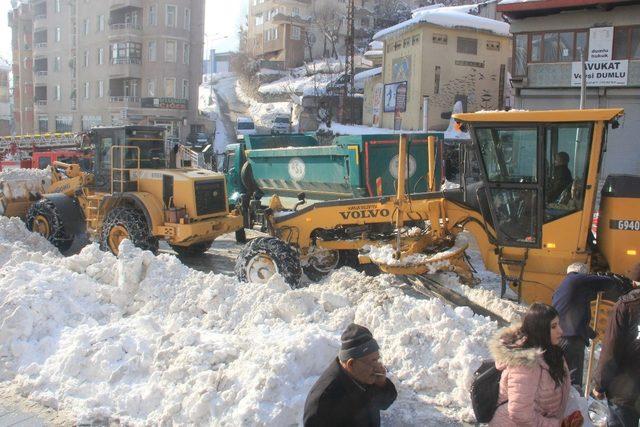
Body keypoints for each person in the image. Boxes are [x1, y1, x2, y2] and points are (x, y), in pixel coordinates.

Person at [488, 303, 577, 426]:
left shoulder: (552, 353)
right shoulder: (526, 364)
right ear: (540, 329)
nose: (561, 331)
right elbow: (519, 413)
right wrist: (556, 425)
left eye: (559, 324)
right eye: (553, 326)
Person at [552, 262, 631, 392]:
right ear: (583, 273)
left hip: (558, 338)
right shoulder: (577, 278)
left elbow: (571, 318)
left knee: (562, 380)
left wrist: (592, 334)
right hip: (572, 340)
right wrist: (616, 279)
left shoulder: (560, 288)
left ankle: (565, 408)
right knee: (574, 381)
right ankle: (575, 409)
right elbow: (605, 281)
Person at [303, 323, 397, 427]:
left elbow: (384, 403)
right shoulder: (323, 402)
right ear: (351, 364)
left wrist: (381, 384)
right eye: (372, 361)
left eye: (377, 359)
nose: (377, 366)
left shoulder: (364, 376)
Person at [592, 263, 640, 427]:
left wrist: (600, 384)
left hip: (625, 389)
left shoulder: (626, 306)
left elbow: (611, 349)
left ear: (634, 282)